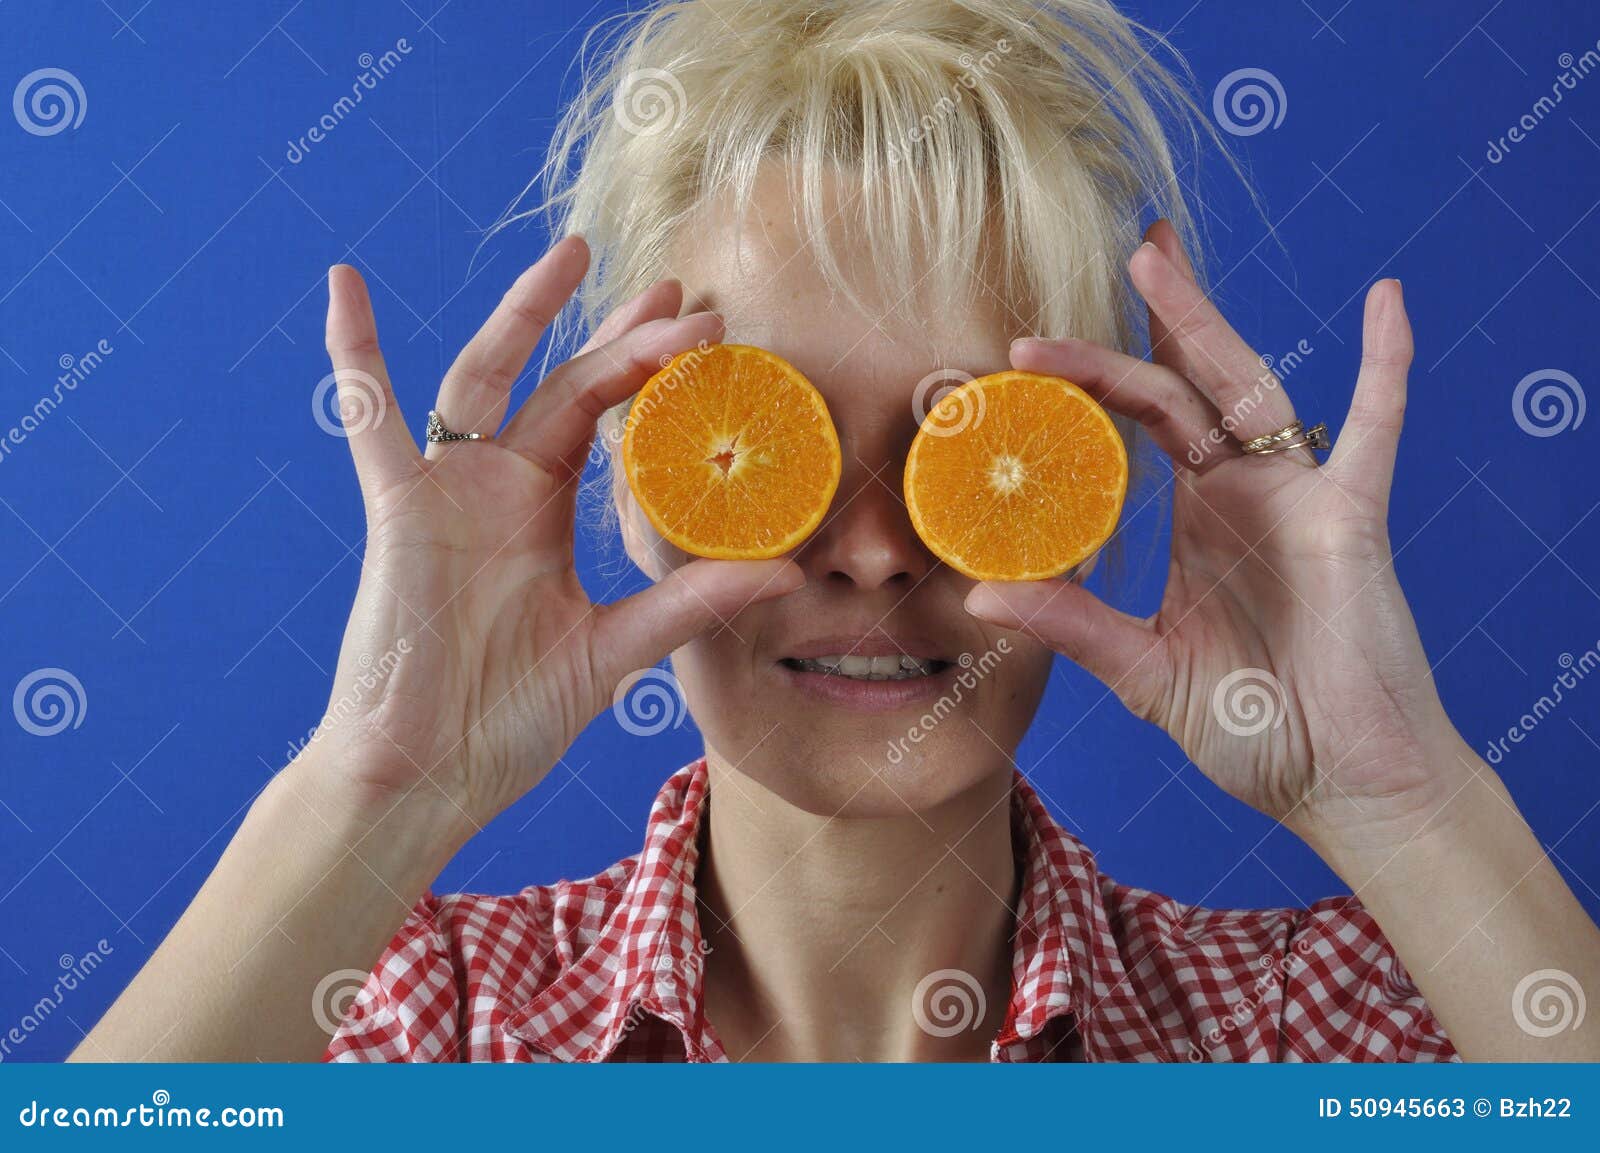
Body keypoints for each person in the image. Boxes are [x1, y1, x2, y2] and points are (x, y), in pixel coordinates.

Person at [76, 0, 1599, 1063]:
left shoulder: (1305, 1035)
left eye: (965, 441)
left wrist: (1399, 798)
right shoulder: (413, 1026)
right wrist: (374, 796)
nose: (871, 550)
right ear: (634, 478)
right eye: (769, 439)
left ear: (1086, 494)